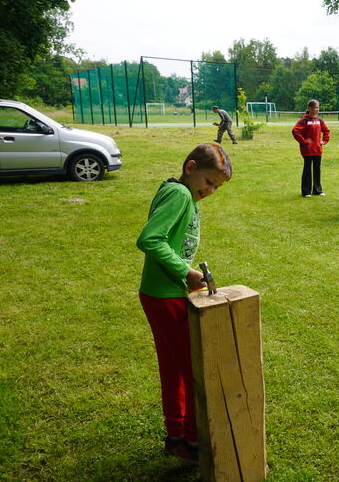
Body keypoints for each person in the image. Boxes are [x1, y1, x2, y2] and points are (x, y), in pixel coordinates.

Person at [136, 142, 233, 464]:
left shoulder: (185, 195)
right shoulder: (178, 195)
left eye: (216, 187)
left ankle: (177, 433)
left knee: (174, 368)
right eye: (208, 182)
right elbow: (150, 239)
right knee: (193, 370)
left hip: (161, 293)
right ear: (191, 169)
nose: (210, 191)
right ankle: (192, 440)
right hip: (166, 297)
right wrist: (185, 272)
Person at [292, 99, 330, 197]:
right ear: (310, 108)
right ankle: (306, 191)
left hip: (317, 149)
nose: (318, 109)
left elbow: (326, 130)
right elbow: (295, 131)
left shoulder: (319, 120)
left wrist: (324, 141)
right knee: (307, 169)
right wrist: (304, 141)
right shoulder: (304, 120)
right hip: (307, 150)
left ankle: (317, 190)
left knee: (317, 169)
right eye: (316, 107)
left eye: (318, 107)